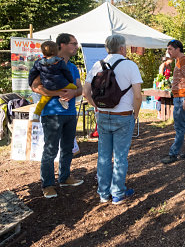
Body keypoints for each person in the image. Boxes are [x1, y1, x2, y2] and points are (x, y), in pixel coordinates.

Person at [83, 34, 143, 204]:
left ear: (107, 48)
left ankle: (103, 193)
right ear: (122, 48)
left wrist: (96, 106)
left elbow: (86, 92)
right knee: (120, 157)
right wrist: (135, 115)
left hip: (102, 115)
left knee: (103, 155)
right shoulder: (130, 65)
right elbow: (137, 96)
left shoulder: (97, 65)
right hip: (123, 116)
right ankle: (117, 193)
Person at [30, 33, 84, 199]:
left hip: (70, 112)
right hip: (52, 113)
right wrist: (57, 93)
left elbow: (80, 89)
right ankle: (47, 185)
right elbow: (35, 86)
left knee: (68, 148)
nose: (76, 46)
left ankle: (65, 177)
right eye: (73, 44)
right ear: (62, 45)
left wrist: (73, 92)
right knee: (51, 150)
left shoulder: (73, 67)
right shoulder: (46, 64)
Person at [161, 39, 185, 164]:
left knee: (180, 127)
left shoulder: (184, 61)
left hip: (182, 98)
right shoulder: (179, 61)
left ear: (177, 49)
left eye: (170, 49)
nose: (168, 51)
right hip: (182, 97)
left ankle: (173, 154)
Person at [28, 41, 77, 118]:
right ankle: (63, 99)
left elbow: (32, 73)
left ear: (43, 53)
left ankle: (36, 113)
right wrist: (70, 81)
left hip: (48, 86)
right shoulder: (60, 61)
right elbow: (66, 72)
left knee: (44, 99)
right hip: (61, 84)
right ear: (56, 51)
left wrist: (30, 82)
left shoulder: (39, 62)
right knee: (74, 88)